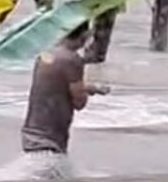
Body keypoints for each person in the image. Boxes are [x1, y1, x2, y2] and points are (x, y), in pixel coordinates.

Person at [21, 22, 109, 174]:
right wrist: (84, 90)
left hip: (32, 133)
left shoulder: (46, 54)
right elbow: (79, 102)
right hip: (51, 140)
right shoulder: (72, 60)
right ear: (85, 35)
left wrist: (90, 87)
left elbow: (56, 84)